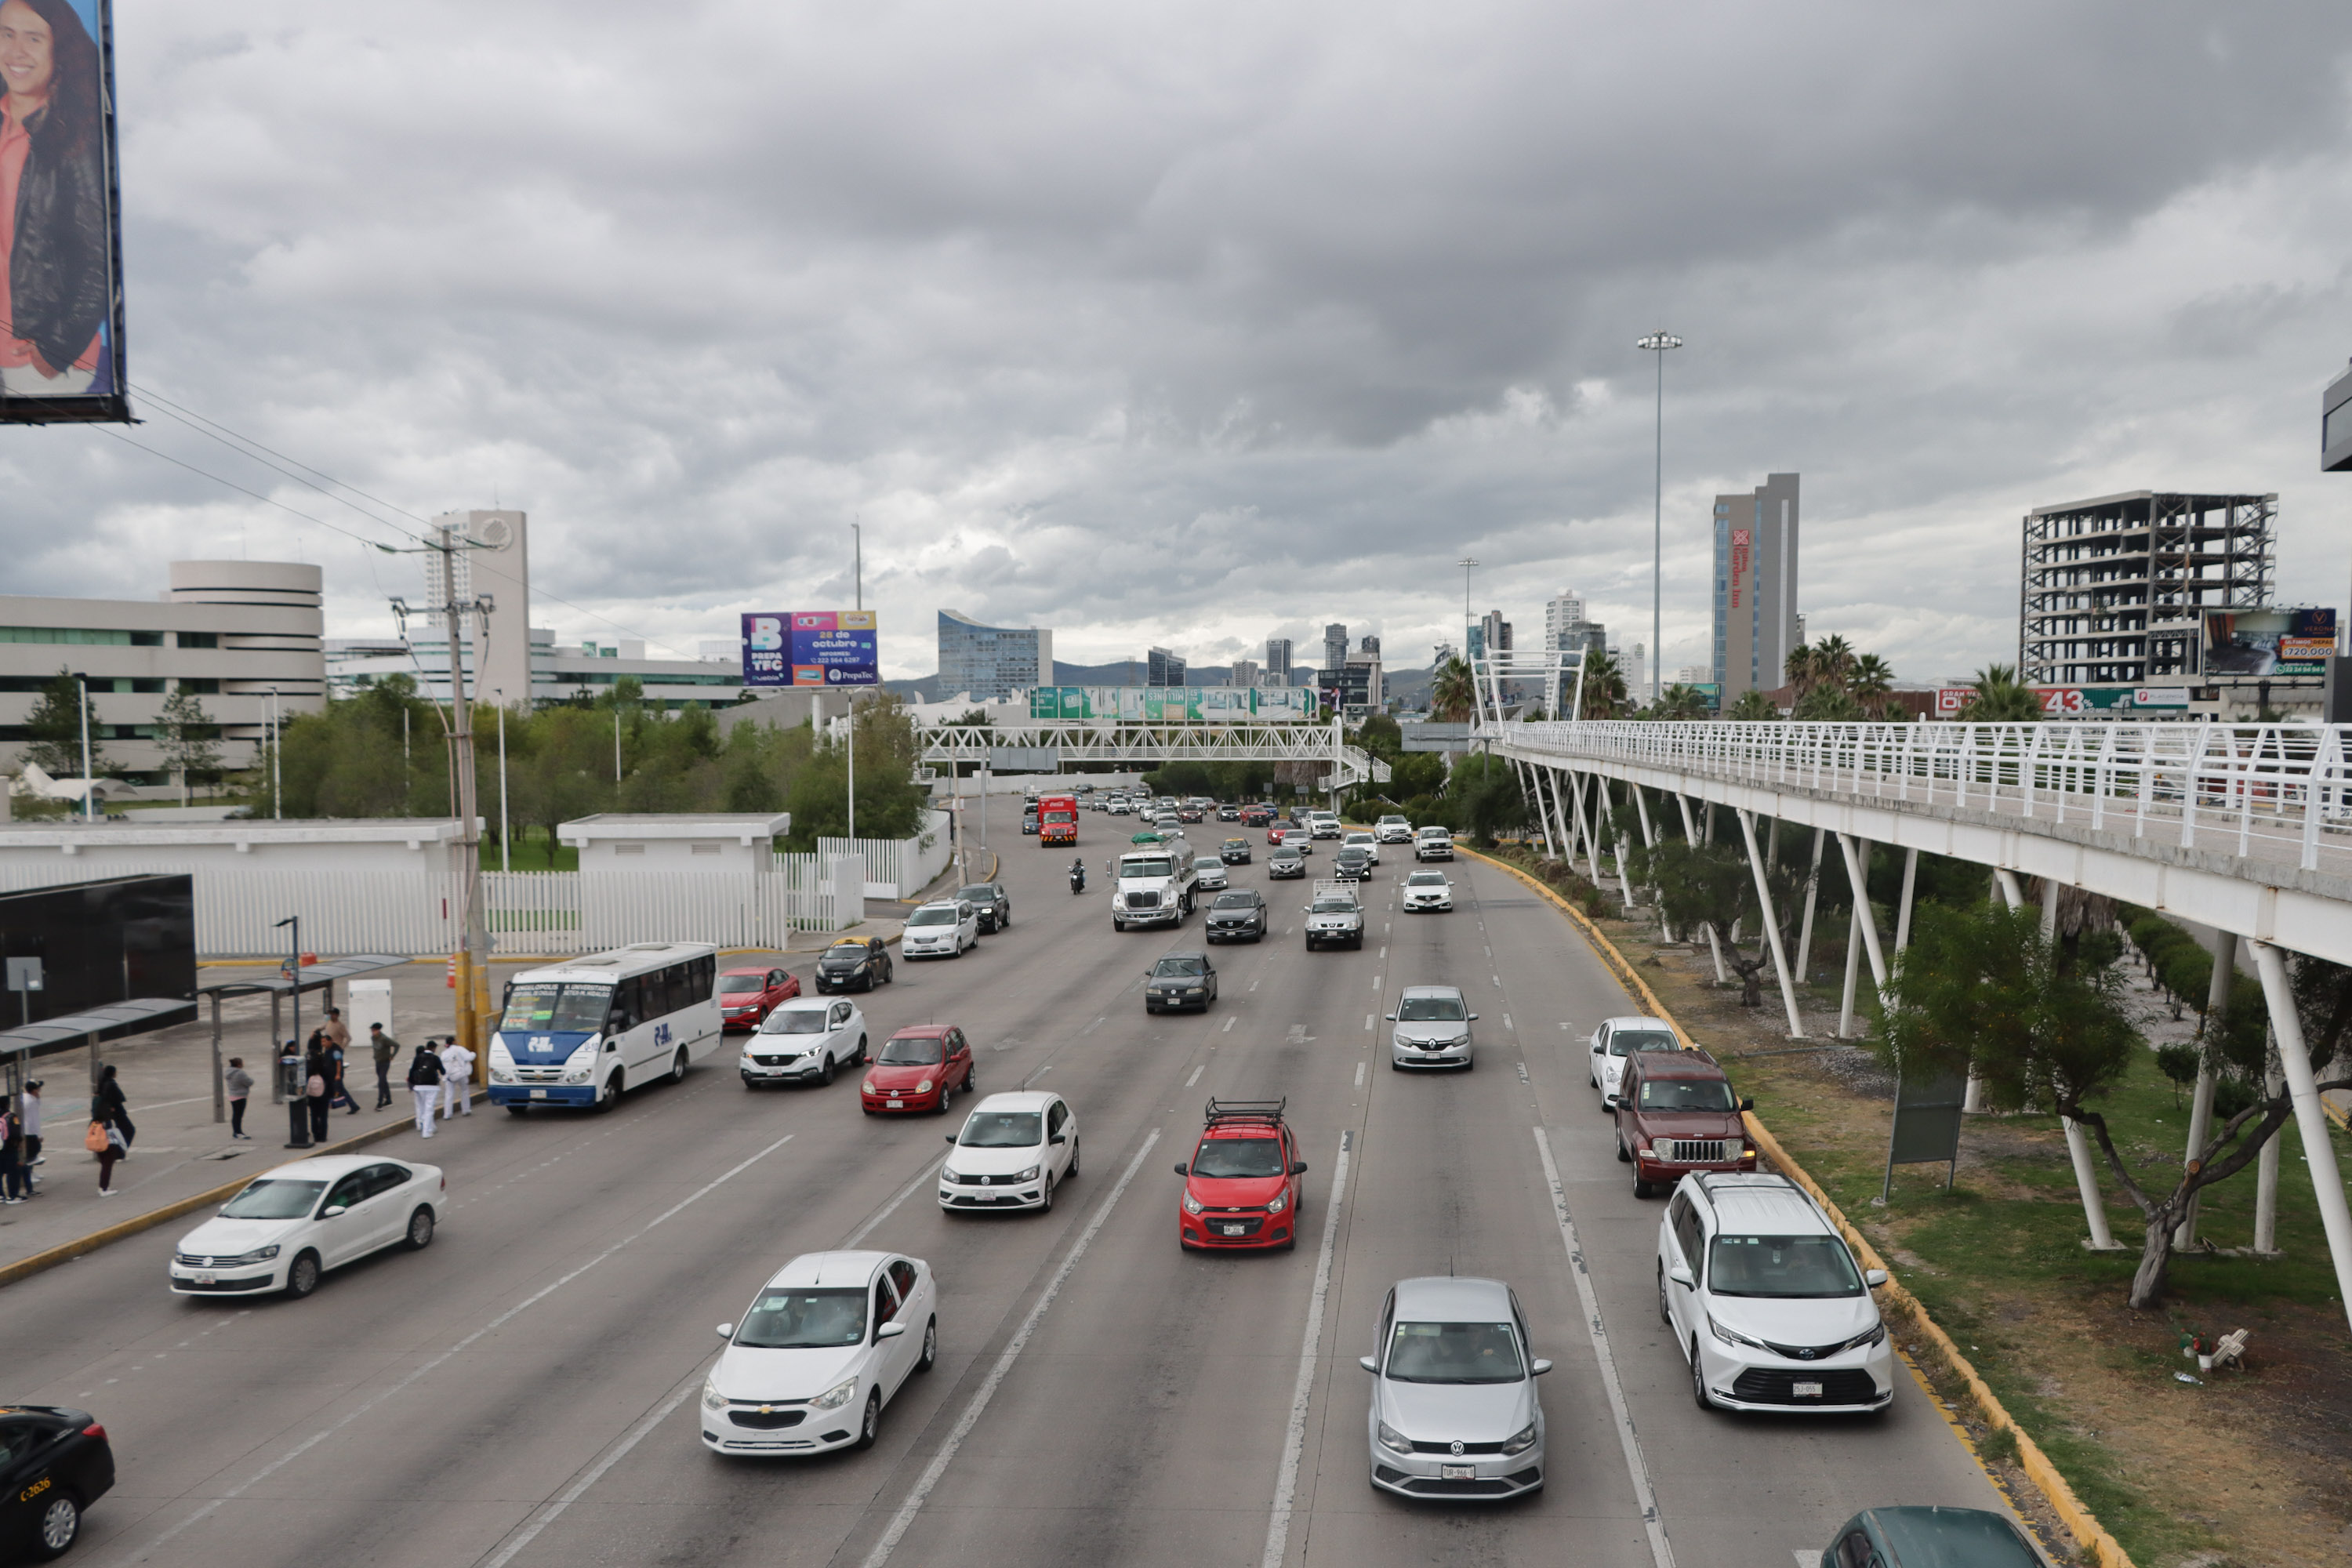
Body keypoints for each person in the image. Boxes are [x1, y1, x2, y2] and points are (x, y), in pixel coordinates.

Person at [0, 0, 111, 398]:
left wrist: (56, 348)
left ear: (58, 49)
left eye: (33, 38)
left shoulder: (75, 140)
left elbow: (100, 258)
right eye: (6, 34)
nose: (16, 51)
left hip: (33, 361)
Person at [406, 1039, 445, 1137]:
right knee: (429, 1108)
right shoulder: (435, 1058)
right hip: (432, 1086)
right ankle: (426, 1132)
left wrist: (412, 1083)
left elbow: (412, 1071)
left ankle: (429, 1126)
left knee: (423, 1107)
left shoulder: (418, 1057)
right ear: (433, 1048)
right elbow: (443, 1071)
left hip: (419, 1086)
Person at [93, 1063, 132, 1155]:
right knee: (129, 1130)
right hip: (117, 1112)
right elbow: (120, 1097)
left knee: (120, 1131)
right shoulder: (111, 1084)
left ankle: (121, 1150)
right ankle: (121, 1151)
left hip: (111, 1113)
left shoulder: (104, 1083)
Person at [438, 1035, 474, 1119]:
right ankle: (466, 1110)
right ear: (453, 1042)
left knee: (449, 1094)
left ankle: (447, 1114)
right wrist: (473, 1053)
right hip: (460, 1074)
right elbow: (469, 1057)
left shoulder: (444, 1053)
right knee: (464, 1090)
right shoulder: (459, 1049)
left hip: (449, 1076)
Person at [303, 1040, 332, 1143]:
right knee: (323, 1116)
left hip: (312, 1096)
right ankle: (322, 1136)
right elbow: (330, 1081)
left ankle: (315, 1135)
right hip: (324, 1095)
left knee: (314, 1115)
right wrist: (331, 1095)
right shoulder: (324, 1068)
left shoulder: (309, 1068)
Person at [93, 1107, 124, 1196]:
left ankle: (103, 1187)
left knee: (105, 1165)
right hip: (107, 1144)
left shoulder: (95, 1121)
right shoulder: (106, 1120)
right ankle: (104, 1188)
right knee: (107, 1166)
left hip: (99, 1144)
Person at [368, 1024, 401, 1109]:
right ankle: (389, 1099)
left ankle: (380, 1102)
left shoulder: (384, 1039)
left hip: (385, 1062)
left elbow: (397, 1045)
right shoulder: (373, 1038)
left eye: (374, 1030)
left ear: (378, 1030)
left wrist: (392, 1055)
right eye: (372, 1030)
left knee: (381, 1082)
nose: (372, 1032)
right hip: (377, 1061)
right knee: (383, 1080)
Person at [0, 1094, 24, 1204]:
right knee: (12, 1172)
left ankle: (1, 1195)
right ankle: (13, 1196)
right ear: (8, 1104)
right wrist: (19, 1144)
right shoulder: (11, 1116)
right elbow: (16, 1133)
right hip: (9, 1147)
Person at [223, 1057, 253, 1139]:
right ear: (239, 1065)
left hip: (232, 1095)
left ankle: (236, 1132)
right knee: (239, 1115)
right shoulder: (240, 1073)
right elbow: (249, 1082)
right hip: (240, 1095)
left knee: (235, 1114)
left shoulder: (228, 1072)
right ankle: (238, 1132)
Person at [20, 1077, 41, 1165]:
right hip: (31, 1131)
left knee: (31, 1152)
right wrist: (39, 1135)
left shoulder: (26, 1097)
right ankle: (29, 1173)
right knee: (33, 1152)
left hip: (26, 1130)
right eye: (38, 1088)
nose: (40, 1090)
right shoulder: (32, 1102)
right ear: (34, 1090)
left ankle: (31, 1172)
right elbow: (35, 1120)